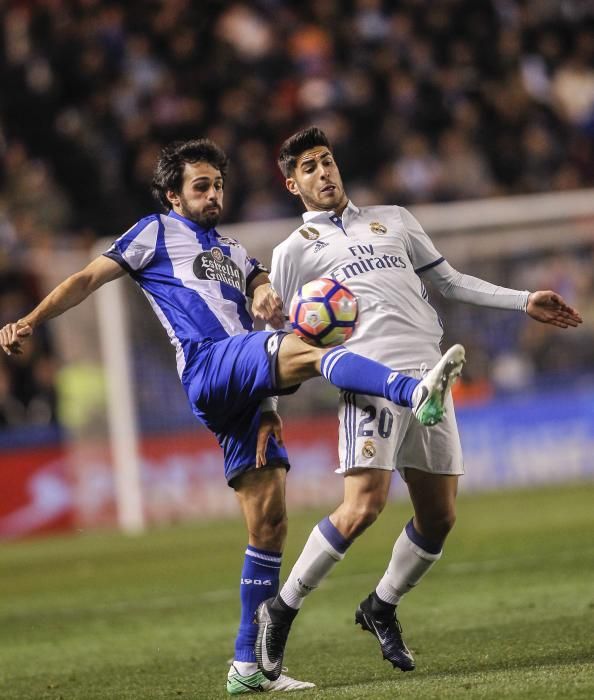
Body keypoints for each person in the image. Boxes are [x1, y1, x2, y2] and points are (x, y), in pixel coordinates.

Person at [0, 137, 467, 696]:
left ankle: (248, 666)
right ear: (174, 195)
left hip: (245, 388)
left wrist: (267, 294)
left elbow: (260, 287)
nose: (213, 194)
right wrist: (29, 319)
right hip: (210, 363)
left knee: (269, 521)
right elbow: (85, 280)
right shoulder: (152, 231)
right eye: (201, 186)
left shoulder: (236, 251)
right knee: (308, 348)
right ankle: (412, 389)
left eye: (218, 184)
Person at [253, 127, 583, 682]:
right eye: (308, 168)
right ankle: (279, 611)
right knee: (362, 507)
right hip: (368, 383)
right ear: (292, 184)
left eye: (327, 161)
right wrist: (267, 407)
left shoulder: (395, 219)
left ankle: (379, 605)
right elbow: (281, 341)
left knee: (439, 517)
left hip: (431, 374)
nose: (323, 172)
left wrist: (524, 300)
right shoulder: (292, 253)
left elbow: (449, 282)